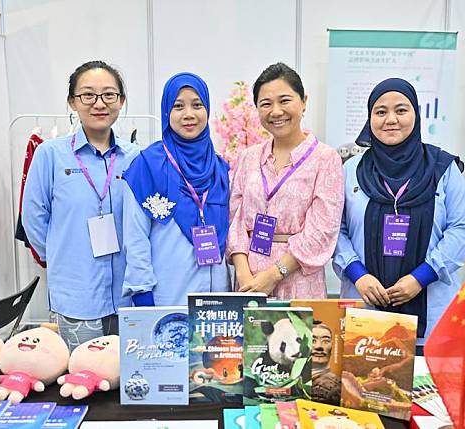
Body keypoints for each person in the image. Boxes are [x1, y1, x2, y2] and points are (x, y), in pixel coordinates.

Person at [333, 77, 465, 345]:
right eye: (381, 111)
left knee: (426, 385)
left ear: (416, 114)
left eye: (401, 110)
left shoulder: (443, 168)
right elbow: (335, 230)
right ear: (369, 118)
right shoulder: (351, 171)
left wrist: (422, 276)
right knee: (366, 381)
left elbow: (461, 228)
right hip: (365, 306)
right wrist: (357, 273)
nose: (391, 119)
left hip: (430, 306)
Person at [22, 60, 138, 350]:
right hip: (76, 293)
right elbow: (33, 218)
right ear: (72, 102)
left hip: (126, 292)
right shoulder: (50, 155)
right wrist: (63, 257)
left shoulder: (135, 157)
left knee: (123, 380)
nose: (99, 103)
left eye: (109, 94)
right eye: (88, 95)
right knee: (83, 378)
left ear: (121, 101)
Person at [227, 62, 344, 299]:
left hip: (298, 280)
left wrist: (274, 275)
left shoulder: (325, 159)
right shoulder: (248, 158)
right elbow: (235, 220)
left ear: (303, 102)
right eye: (266, 104)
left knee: (295, 336)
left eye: (285, 100)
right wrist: (243, 275)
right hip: (249, 281)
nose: (276, 111)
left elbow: (322, 230)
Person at [121, 72, 230, 306]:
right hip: (168, 299)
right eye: (178, 106)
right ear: (166, 112)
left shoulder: (220, 169)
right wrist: (144, 299)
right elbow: (136, 239)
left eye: (197, 105)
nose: (189, 114)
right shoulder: (147, 165)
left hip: (217, 308)